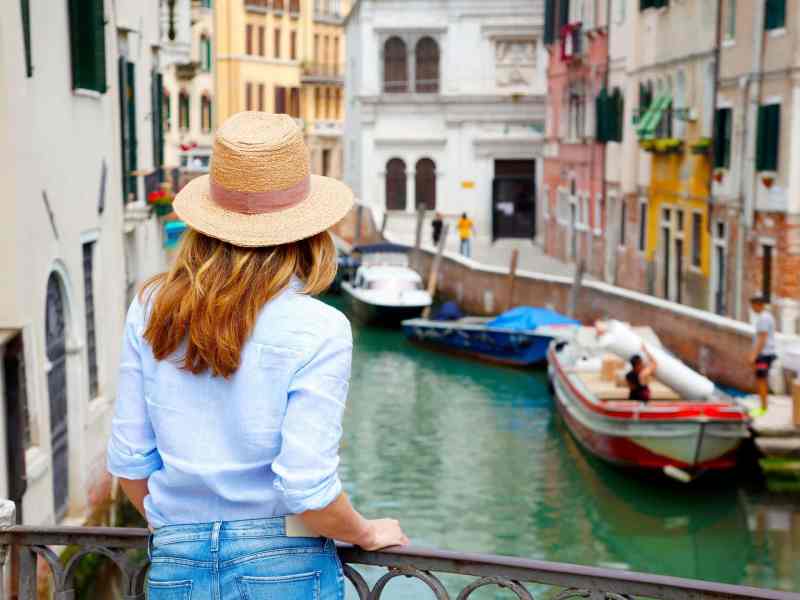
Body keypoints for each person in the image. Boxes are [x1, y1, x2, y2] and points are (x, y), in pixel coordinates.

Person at [107, 113, 408, 600]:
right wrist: (366, 533)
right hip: (282, 562)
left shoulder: (149, 308)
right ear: (308, 230)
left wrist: (186, 533)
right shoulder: (321, 327)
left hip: (175, 561)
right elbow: (307, 491)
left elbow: (129, 463)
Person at [749, 295, 777, 417]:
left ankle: (763, 408)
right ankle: (763, 406)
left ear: (758, 304)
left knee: (761, 380)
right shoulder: (766, 317)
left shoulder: (764, 318)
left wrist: (753, 356)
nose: (752, 309)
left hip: (764, 354)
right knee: (761, 379)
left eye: (753, 306)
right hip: (765, 353)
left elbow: (762, 339)